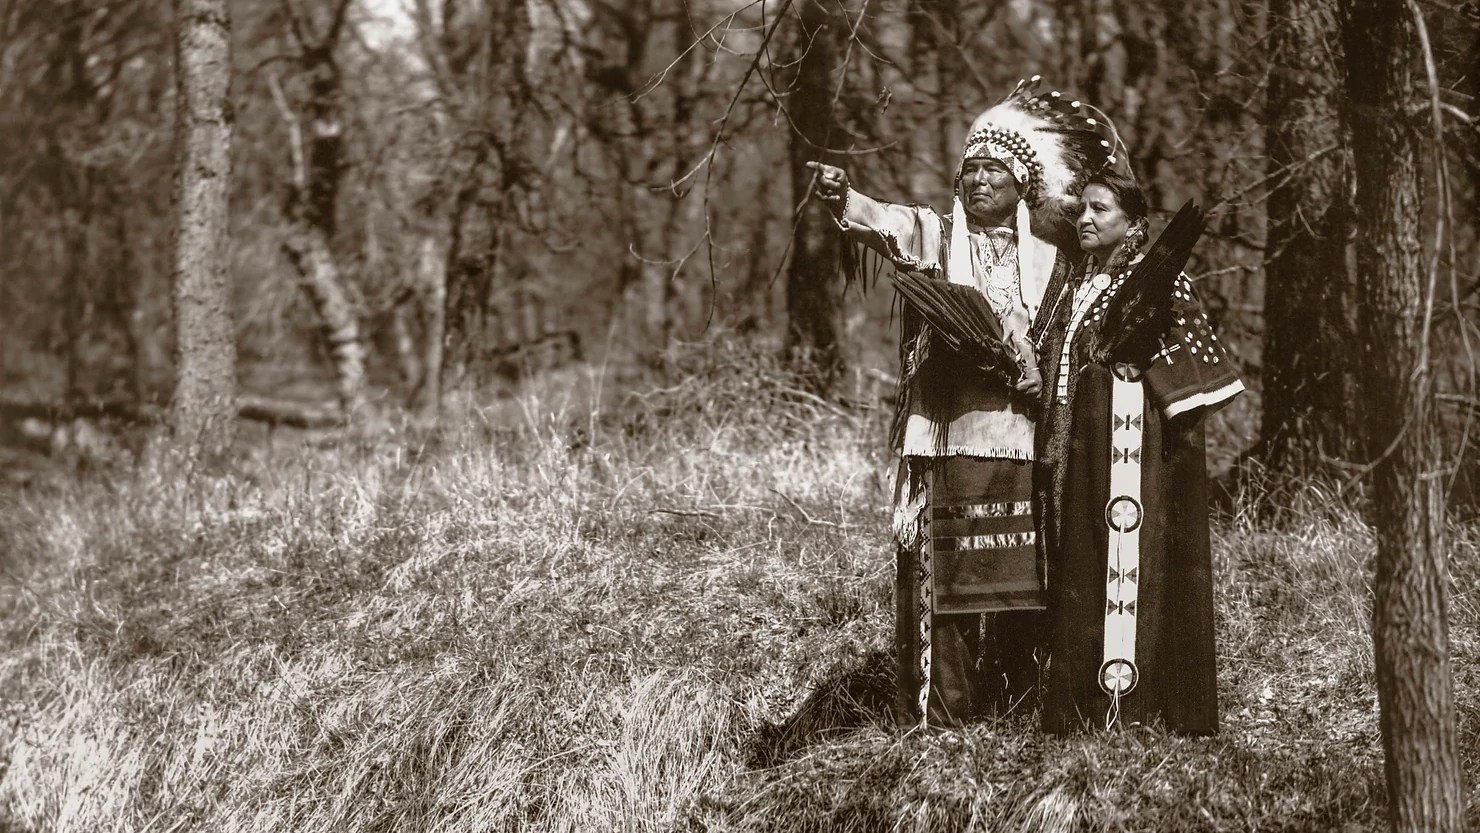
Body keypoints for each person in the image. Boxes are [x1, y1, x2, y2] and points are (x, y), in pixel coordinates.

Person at [808, 79, 1111, 727]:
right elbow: (884, 224)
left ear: (1021, 184)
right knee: (945, 579)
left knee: (1015, 579)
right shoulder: (938, 236)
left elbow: (1067, 341)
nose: (977, 181)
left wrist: (1034, 373)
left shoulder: (1053, 264)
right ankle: (943, 715)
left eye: (992, 170)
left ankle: (1011, 705)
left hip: (1022, 443)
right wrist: (846, 198)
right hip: (945, 438)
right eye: (968, 170)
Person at [1031, 170, 1244, 735]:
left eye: (1100, 210)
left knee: (1121, 565)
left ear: (1134, 225)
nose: (1086, 220)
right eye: (1082, 210)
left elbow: (1184, 366)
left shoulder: (1162, 282)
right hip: (1070, 453)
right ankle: (1071, 700)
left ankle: (1126, 706)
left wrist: (1129, 376)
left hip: (1128, 464)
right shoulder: (1077, 284)